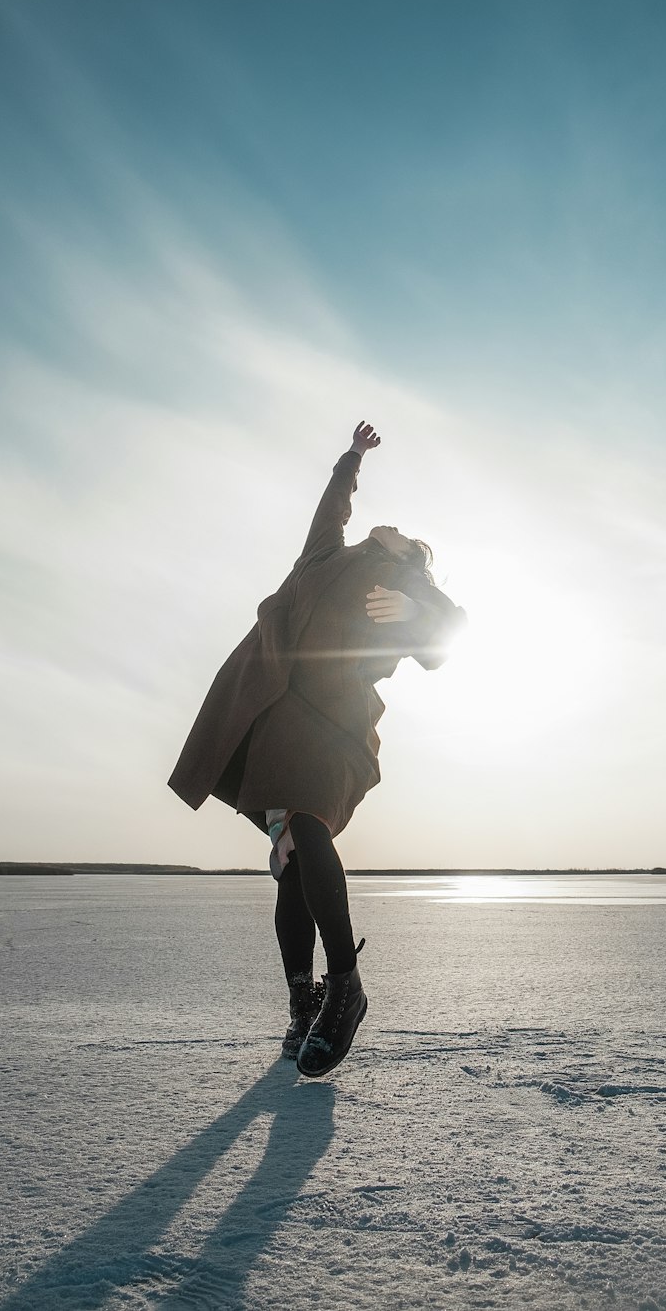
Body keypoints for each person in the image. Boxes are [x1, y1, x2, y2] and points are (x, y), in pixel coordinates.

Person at [168, 421, 466, 1077]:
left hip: (335, 729)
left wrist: (416, 612)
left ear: (416, 557)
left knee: (305, 825)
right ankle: (303, 1003)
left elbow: (450, 632)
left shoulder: (406, 582)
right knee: (292, 863)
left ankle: (345, 986)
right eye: (387, 529)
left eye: (409, 539)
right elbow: (333, 506)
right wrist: (352, 458)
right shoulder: (324, 557)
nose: (393, 530)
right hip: (271, 722)